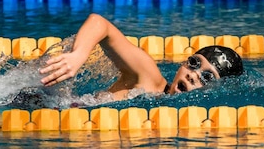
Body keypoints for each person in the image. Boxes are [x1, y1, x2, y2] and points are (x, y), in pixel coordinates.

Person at [39, 13, 244, 99]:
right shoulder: (149, 78)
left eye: (207, 77)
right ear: (183, 63)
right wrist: (78, 55)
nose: (194, 75)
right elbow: (99, 23)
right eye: (194, 63)